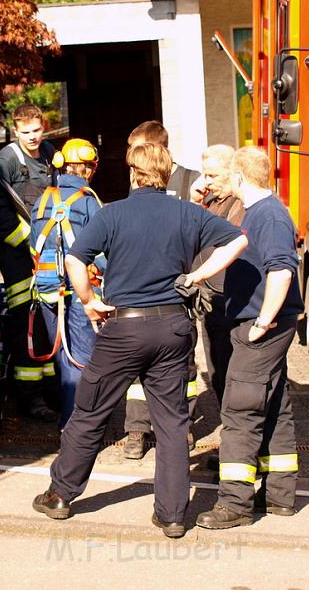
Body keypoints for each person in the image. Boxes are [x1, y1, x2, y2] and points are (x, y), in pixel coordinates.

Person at [32, 142, 247, 539]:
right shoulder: (188, 213)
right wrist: (197, 278)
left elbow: (76, 259)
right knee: (171, 422)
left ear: (132, 173)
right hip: (172, 328)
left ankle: (60, 495)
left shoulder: (112, 213)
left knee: (91, 411)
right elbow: (238, 241)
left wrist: (88, 301)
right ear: (167, 174)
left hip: (124, 330)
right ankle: (171, 515)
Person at [196, 145, 304, 530]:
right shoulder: (260, 212)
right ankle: (279, 497)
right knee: (274, 404)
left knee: (240, 409)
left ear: (240, 178)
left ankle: (235, 504)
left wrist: (262, 321)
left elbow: (281, 271)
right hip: (261, 322)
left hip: (260, 326)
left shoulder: (269, 216)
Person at [122, 120, 200, 460]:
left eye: (136, 154)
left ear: (158, 151)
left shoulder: (192, 181)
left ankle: (180, 428)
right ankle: (137, 431)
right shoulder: (137, 183)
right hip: (145, 291)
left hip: (181, 292)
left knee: (184, 368)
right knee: (139, 367)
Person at [0, 104, 57, 422]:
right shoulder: (8, 160)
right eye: (26, 132)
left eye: (36, 130)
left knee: (50, 318)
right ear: (15, 130)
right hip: (19, 256)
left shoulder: (51, 154)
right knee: (27, 321)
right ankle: (28, 397)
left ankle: (52, 390)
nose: (32, 137)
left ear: (43, 127)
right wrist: (25, 238)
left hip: (48, 253)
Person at [30, 138, 104, 430]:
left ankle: (69, 421)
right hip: (78, 291)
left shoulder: (43, 199)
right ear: (88, 169)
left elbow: (32, 243)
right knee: (81, 359)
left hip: (47, 290)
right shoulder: (89, 201)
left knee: (62, 356)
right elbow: (101, 251)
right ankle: (76, 429)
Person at [189, 145, 246, 407]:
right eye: (205, 175)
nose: (206, 182)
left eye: (212, 176)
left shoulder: (242, 204)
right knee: (217, 365)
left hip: (232, 299)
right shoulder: (211, 200)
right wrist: (195, 203)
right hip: (211, 295)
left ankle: (236, 418)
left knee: (231, 365)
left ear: (232, 172)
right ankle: (227, 411)